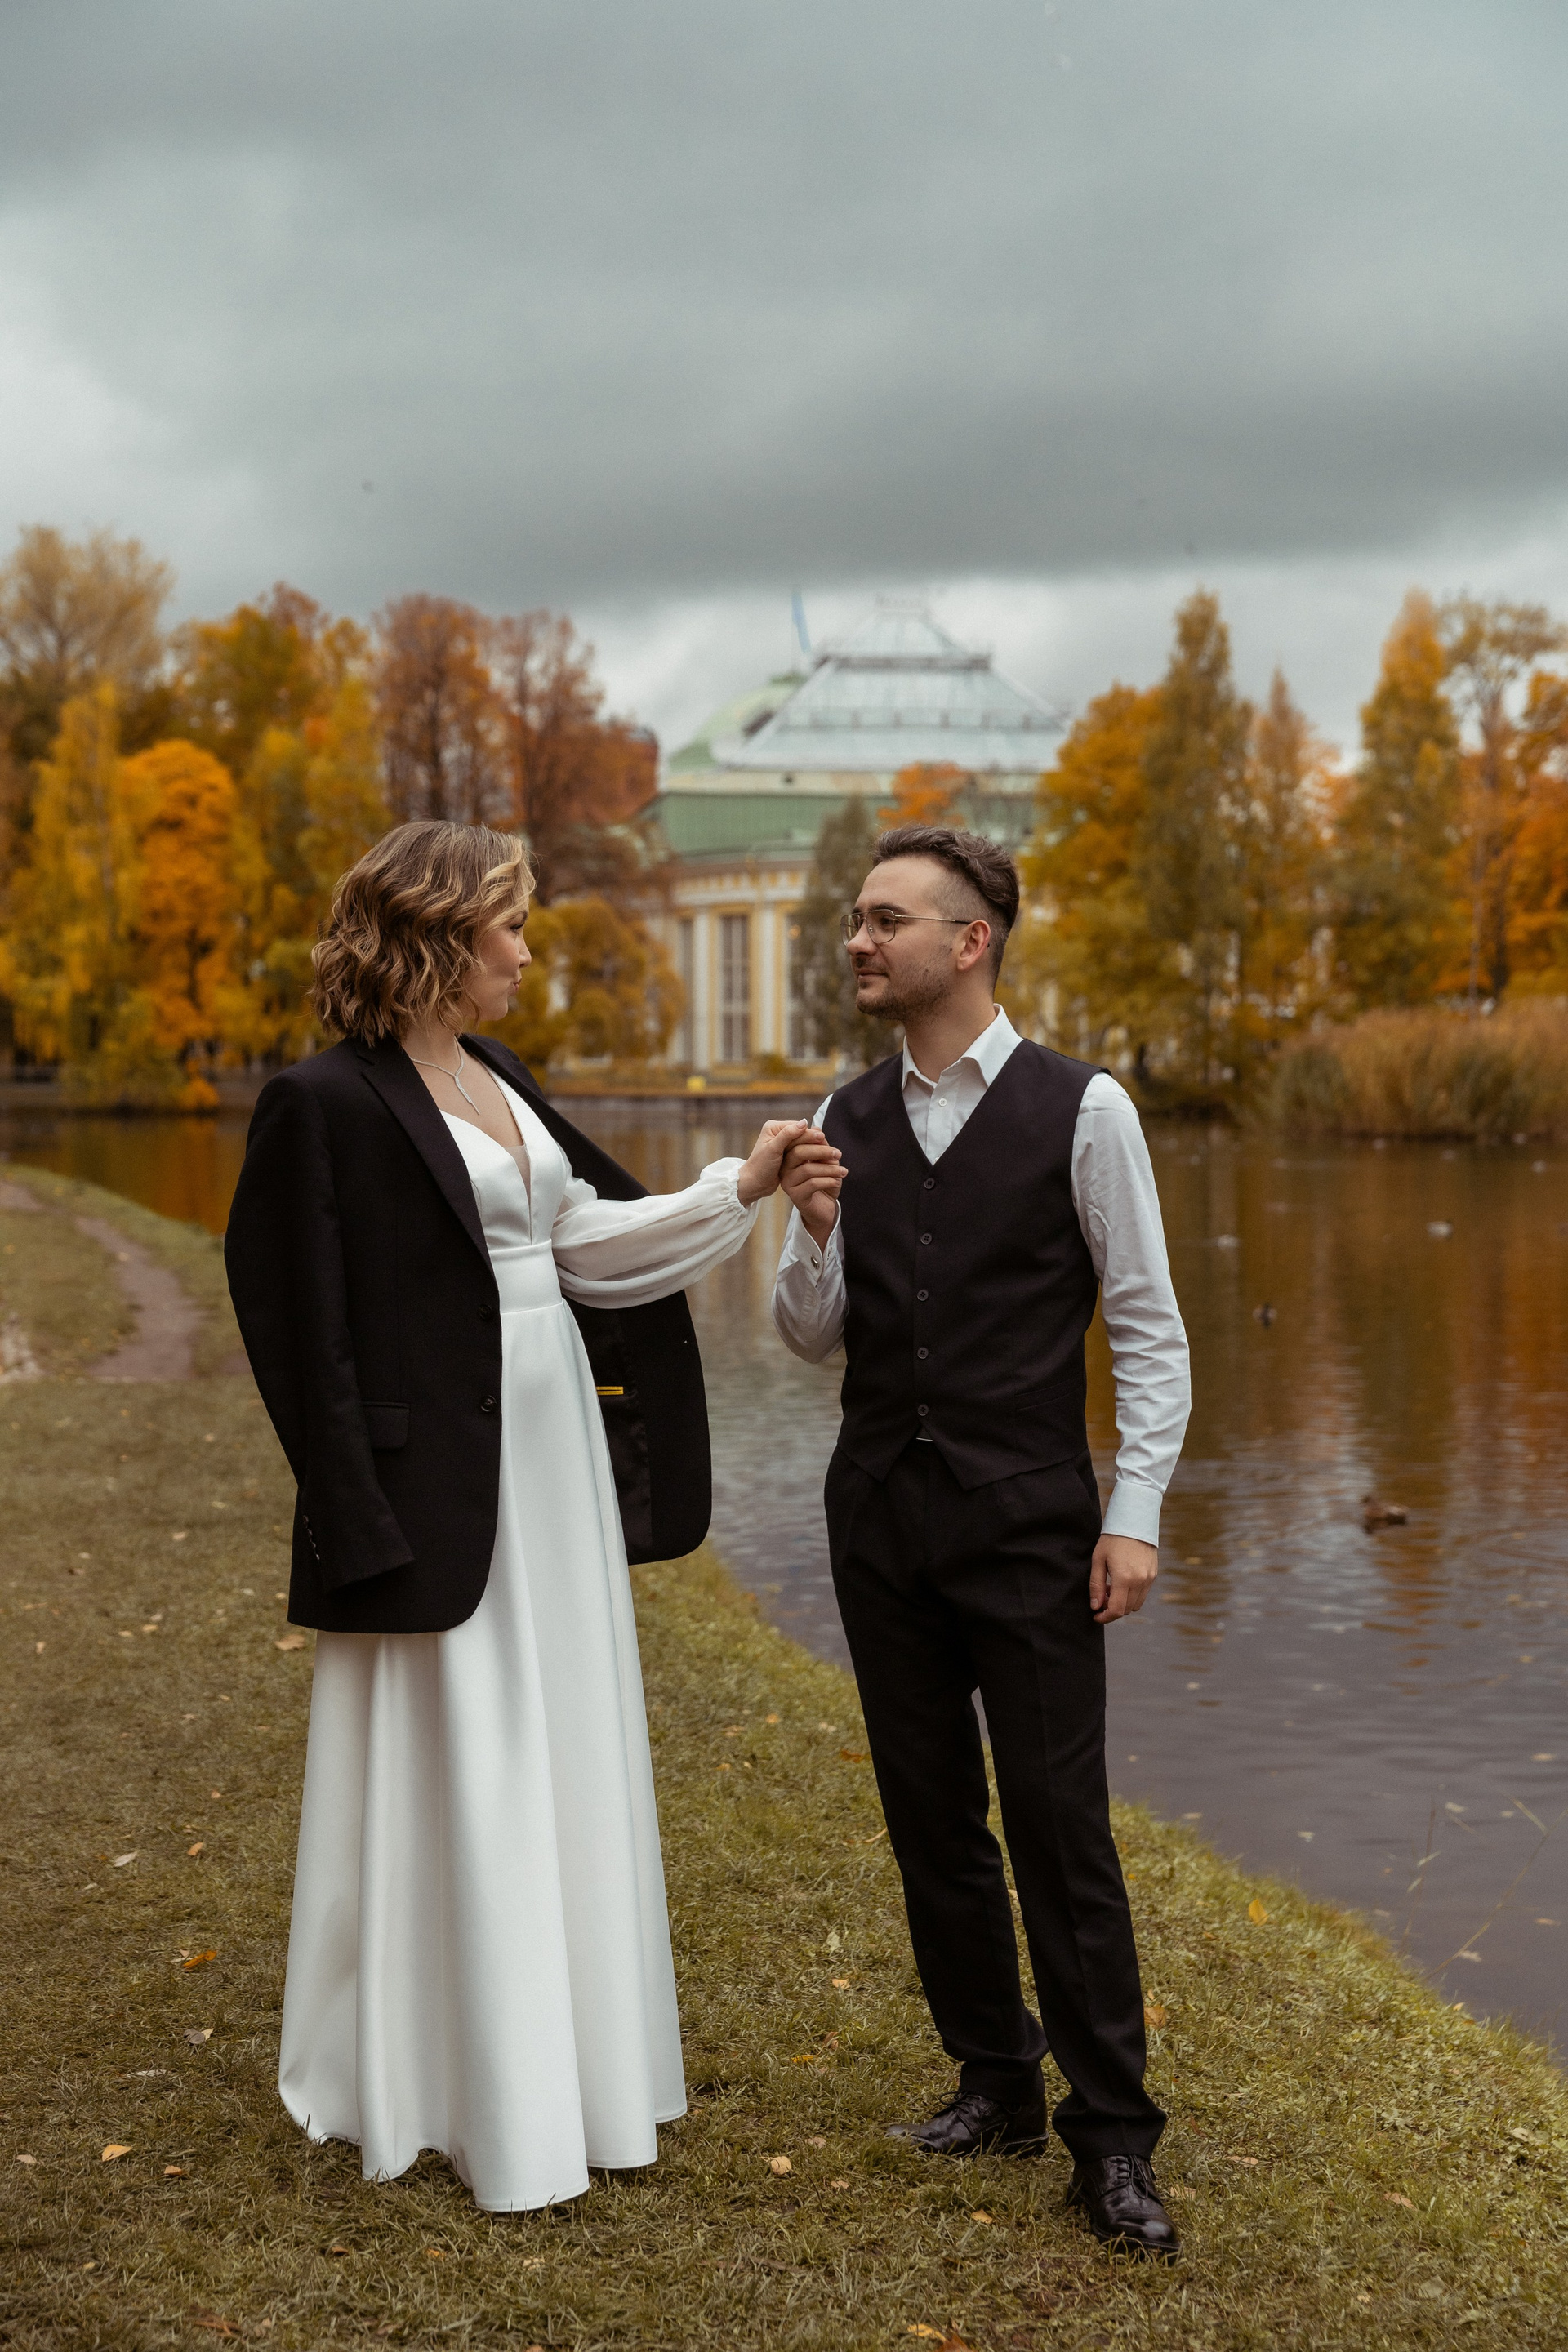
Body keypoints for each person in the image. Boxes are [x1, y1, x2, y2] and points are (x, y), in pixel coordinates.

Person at [225, 819, 833, 2214]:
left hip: (552, 1459)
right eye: (511, 923)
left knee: (552, 1738)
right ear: (441, 934)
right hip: (430, 1485)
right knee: (466, 1752)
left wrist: (736, 1190)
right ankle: (451, 2087)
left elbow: (575, 1249)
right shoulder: (320, 1102)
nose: (526, 949)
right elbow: (297, 1329)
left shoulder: (497, 1074)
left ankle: (575, 2064)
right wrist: (354, 1514)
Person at [772, 822, 1191, 2260]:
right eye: (856, 918)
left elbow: (1149, 1329)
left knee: (1061, 1825)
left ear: (971, 942)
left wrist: (1133, 1515)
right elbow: (811, 1337)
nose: (858, 940)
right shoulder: (844, 1111)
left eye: (885, 919)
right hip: (879, 1515)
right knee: (930, 1812)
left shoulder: (1087, 1110)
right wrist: (813, 1229)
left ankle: (1114, 2138)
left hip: (1028, 1524)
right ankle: (995, 2079)